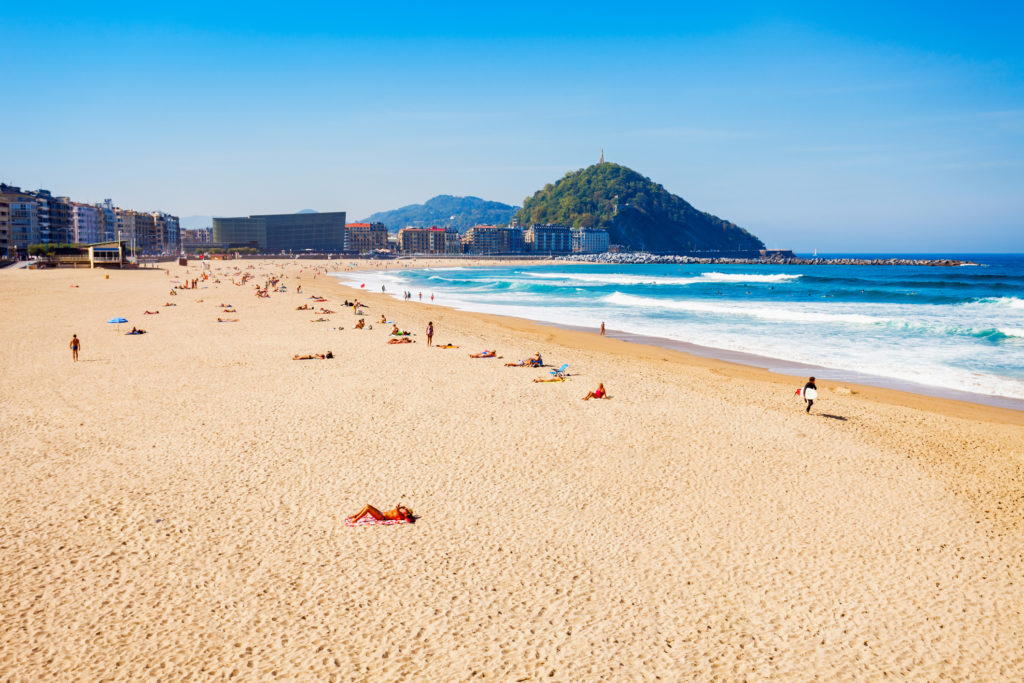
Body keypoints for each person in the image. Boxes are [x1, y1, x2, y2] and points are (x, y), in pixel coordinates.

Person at [347, 503, 414, 524]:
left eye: (406, 510)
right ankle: (356, 515)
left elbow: (396, 510)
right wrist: (398, 508)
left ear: (407, 514)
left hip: (381, 517)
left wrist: (400, 507)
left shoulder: (401, 516)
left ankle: (356, 519)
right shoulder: (400, 513)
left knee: (367, 509)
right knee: (367, 505)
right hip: (381, 513)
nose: (404, 509)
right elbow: (396, 510)